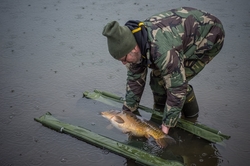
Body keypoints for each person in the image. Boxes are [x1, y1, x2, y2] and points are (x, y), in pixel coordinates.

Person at [102, 7, 225, 135]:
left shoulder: (163, 51)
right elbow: (135, 79)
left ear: (134, 49)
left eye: (124, 59)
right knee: (157, 80)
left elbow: (177, 87)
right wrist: (127, 112)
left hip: (209, 36)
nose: (124, 63)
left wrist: (166, 127)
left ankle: (191, 118)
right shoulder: (132, 43)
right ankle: (160, 114)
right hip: (177, 37)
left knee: (174, 83)